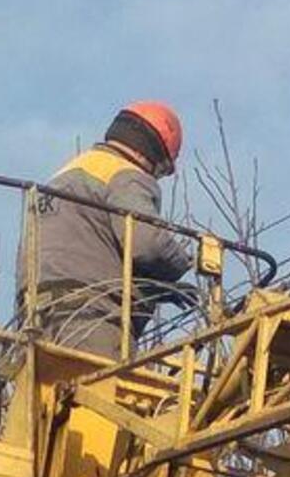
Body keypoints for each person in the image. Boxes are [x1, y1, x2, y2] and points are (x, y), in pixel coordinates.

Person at [20, 101, 193, 359]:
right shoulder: (127, 175)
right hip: (91, 320)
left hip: (34, 320)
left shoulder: (65, 176)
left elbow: (87, 246)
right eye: (163, 171)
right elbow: (147, 244)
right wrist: (181, 264)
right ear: (155, 156)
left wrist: (156, 288)